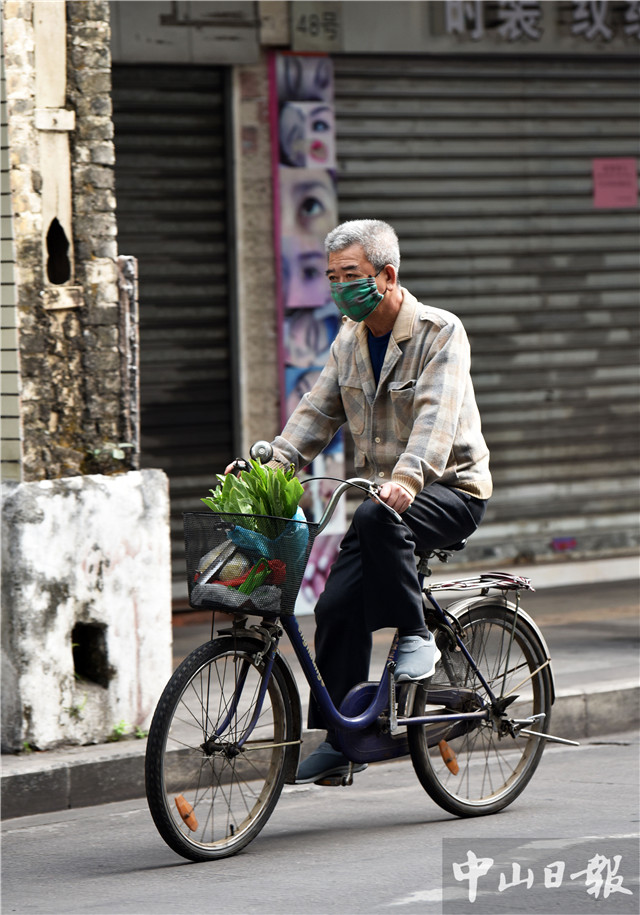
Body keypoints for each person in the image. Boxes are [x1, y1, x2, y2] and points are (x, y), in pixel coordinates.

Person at [234, 219, 493, 784]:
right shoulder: (350, 340)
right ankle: (346, 737)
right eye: (331, 278)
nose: (338, 287)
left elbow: (436, 418)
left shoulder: (440, 332)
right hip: (385, 503)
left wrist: (407, 478)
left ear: (387, 274)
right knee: (334, 608)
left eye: (350, 276)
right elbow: (317, 411)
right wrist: (271, 464)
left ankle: (419, 638)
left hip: (447, 490)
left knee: (377, 515)